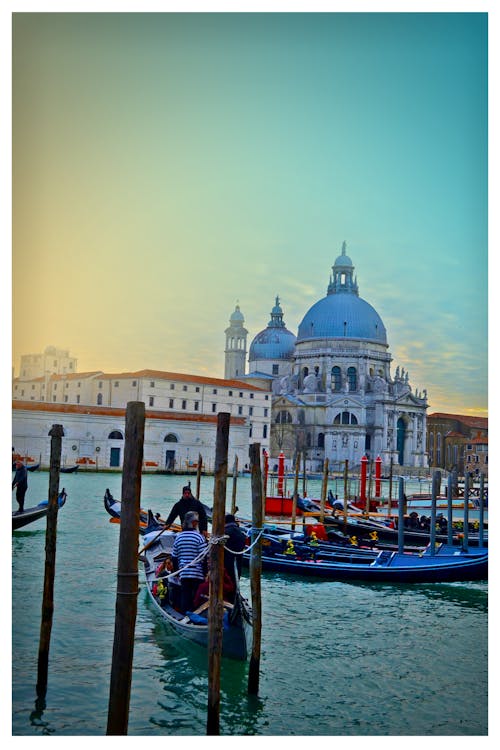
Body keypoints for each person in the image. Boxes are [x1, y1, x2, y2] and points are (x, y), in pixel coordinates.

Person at [171, 511, 208, 613]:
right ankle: (196, 614)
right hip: (197, 573)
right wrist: (205, 573)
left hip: (184, 573)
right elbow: (203, 557)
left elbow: (174, 557)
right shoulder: (199, 537)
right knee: (196, 597)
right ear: (195, 523)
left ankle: (184, 615)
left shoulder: (179, 537)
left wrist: (177, 572)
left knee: (185, 595)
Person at [223, 513, 247, 590]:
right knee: (235, 581)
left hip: (226, 561)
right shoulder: (241, 533)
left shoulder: (225, 532)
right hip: (238, 560)